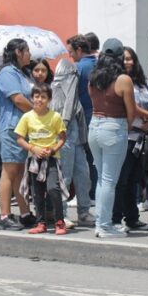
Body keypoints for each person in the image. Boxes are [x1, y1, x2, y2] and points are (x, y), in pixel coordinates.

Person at [87, 38, 137, 238]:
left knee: (102, 179)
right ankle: (105, 225)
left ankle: (102, 222)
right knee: (109, 180)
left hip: (94, 125)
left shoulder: (93, 77)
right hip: (114, 126)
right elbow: (131, 112)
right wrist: (126, 127)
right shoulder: (123, 80)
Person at [15, 84, 68, 235]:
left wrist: (53, 150)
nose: (39, 100)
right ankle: (41, 222)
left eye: (43, 97)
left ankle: (60, 221)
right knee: (37, 193)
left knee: (53, 188)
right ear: (32, 98)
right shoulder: (27, 117)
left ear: (49, 99)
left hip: (51, 160)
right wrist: (33, 149)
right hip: (34, 161)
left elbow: (63, 138)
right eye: (36, 96)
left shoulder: (55, 117)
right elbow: (19, 138)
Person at [0, 39, 35, 230]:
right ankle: (4, 216)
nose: (30, 54)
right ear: (19, 52)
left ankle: (25, 213)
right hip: (11, 127)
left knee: (20, 172)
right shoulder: (7, 72)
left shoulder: (21, 73)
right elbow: (18, 99)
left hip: (22, 128)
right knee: (9, 171)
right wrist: (39, 112)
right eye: (27, 51)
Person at [112, 46, 148, 231]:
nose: (127, 62)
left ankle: (132, 218)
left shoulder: (143, 83)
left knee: (134, 180)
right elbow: (130, 107)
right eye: (124, 58)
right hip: (125, 136)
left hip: (141, 138)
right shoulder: (119, 81)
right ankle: (115, 219)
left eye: (130, 58)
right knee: (121, 180)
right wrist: (146, 119)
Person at [52, 57, 94, 227]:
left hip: (74, 131)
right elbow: (68, 103)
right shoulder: (59, 90)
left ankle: (83, 211)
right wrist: (66, 121)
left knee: (82, 174)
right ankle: (61, 214)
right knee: (65, 175)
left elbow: (72, 101)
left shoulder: (65, 84)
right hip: (65, 130)